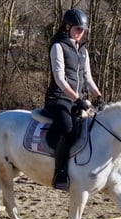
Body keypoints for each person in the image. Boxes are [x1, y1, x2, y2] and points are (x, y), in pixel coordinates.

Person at [44, 8, 105, 191]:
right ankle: (60, 172)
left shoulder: (82, 50)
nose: (81, 33)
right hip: (58, 99)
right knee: (69, 128)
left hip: (76, 99)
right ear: (67, 27)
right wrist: (78, 99)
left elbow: (88, 78)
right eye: (78, 29)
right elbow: (60, 79)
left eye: (83, 30)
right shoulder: (58, 46)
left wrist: (99, 96)